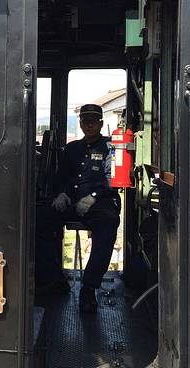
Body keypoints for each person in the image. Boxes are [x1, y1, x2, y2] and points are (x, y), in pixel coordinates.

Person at [35, 104, 121, 313]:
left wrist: (93, 197)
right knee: (36, 220)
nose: (89, 125)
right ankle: (54, 278)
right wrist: (61, 193)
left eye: (94, 121)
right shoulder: (72, 148)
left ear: (100, 123)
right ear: (81, 124)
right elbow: (61, 176)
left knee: (109, 222)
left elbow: (112, 179)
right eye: (85, 121)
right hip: (72, 201)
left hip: (99, 202)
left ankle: (89, 288)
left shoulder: (110, 148)